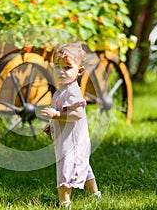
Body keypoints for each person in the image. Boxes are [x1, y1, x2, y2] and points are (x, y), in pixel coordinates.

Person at [41, 43, 101, 209]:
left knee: (65, 169)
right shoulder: (62, 90)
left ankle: (64, 203)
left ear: (79, 71)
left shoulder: (72, 91)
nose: (61, 71)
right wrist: (52, 124)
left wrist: (57, 115)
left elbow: (77, 114)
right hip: (69, 139)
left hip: (72, 142)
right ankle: (95, 195)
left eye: (67, 67)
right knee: (82, 165)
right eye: (57, 67)